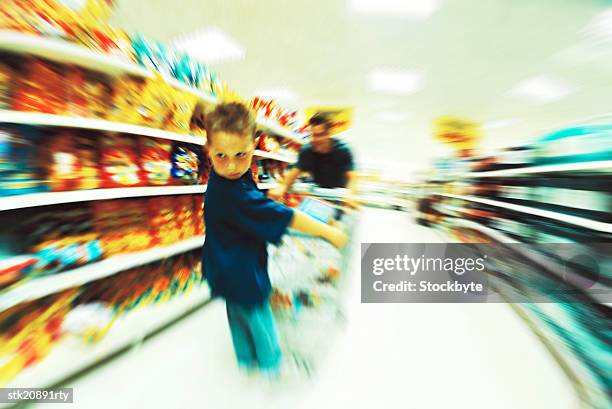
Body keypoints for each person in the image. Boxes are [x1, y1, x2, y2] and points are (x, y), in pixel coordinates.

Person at [202, 102, 347, 378]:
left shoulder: (223, 177)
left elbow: (247, 207)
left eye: (241, 155)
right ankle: (271, 366)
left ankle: (245, 359)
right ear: (207, 149)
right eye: (221, 155)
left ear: (254, 145)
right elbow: (284, 216)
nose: (232, 165)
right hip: (242, 269)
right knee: (259, 318)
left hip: (220, 264)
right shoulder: (236, 194)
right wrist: (328, 232)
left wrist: (261, 203)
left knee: (236, 316)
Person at [268, 113, 360, 208]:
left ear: (329, 133)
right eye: (313, 135)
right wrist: (281, 188)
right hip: (319, 198)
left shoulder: (343, 150)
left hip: (340, 198)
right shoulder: (307, 151)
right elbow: (293, 173)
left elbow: (353, 177)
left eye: (320, 135)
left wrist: (351, 194)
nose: (315, 139)